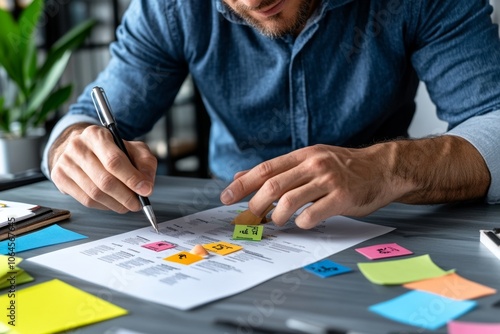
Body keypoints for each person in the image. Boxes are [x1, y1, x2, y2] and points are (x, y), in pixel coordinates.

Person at [43, 0, 500, 229]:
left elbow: (494, 119)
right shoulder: (172, 7)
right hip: (231, 227)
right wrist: (74, 147)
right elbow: (86, 119)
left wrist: (385, 168)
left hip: (388, 219)